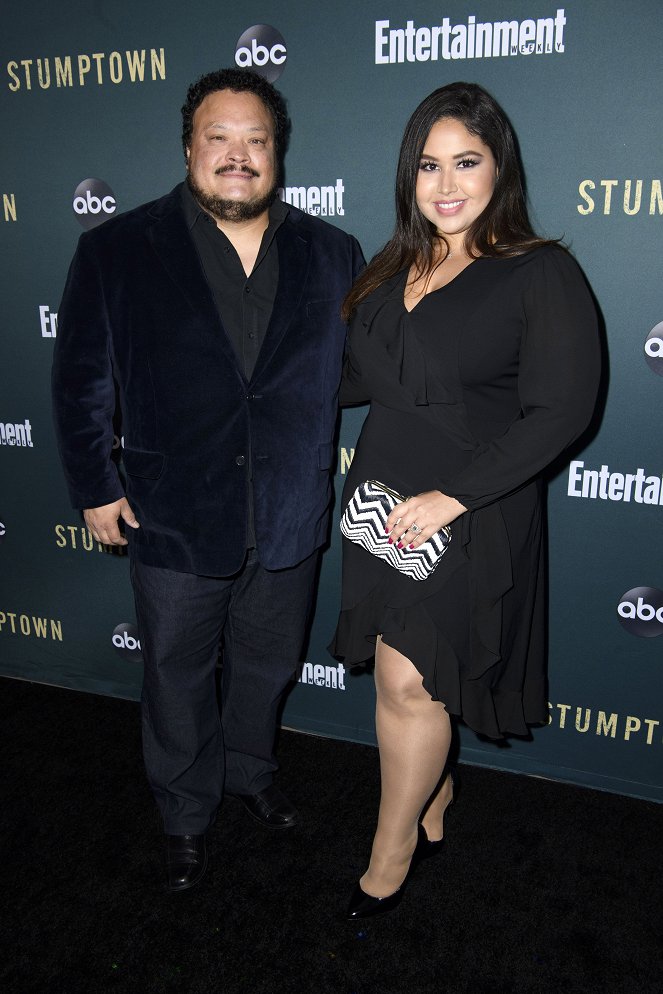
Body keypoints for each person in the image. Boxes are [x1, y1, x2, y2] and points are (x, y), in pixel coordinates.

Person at [52, 67, 364, 892]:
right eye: (219, 138)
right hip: (174, 512)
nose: (238, 155)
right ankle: (185, 810)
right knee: (177, 675)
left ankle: (249, 775)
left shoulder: (333, 253)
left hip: (289, 512)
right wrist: (93, 483)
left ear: (276, 152)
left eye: (254, 140)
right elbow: (81, 379)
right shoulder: (116, 248)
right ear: (189, 146)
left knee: (265, 668)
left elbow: (356, 373)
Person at [329, 81, 600, 919]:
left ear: (498, 167)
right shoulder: (389, 265)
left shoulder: (538, 271)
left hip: (468, 509)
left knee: (409, 685)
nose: (445, 184)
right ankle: (432, 797)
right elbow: (351, 379)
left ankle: (391, 848)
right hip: (380, 498)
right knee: (407, 680)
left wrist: (455, 496)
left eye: (465, 161)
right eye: (426, 165)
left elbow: (562, 410)